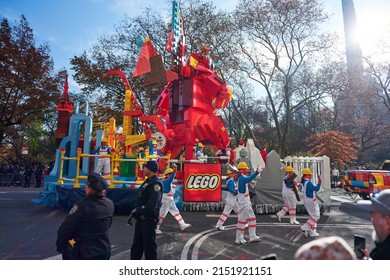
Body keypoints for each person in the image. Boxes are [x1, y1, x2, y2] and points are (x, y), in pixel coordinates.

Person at [56, 173, 115, 260]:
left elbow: (66, 229)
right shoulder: (109, 204)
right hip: (104, 250)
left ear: (90, 189)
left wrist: (61, 247)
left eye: (87, 185)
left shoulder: (81, 206)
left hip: (85, 252)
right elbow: (108, 224)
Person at [128, 160, 163, 260]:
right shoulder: (148, 182)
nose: (143, 169)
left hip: (148, 220)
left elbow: (152, 205)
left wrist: (137, 210)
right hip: (141, 220)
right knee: (136, 248)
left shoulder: (155, 184)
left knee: (149, 249)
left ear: (150, 169)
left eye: (145, 167)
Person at [156, 166, 191, 235]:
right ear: (168, 175)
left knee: (176, 212)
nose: (174, 176)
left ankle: (183, 225)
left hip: (170, 201)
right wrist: (174, 172)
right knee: (162, 215)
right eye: (171, 173)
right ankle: (155, 228)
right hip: (167, 201)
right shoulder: (166, 181)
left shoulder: (168, 183)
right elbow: (170, 179)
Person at [356, 189, 390, 260]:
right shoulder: (383, 250)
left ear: (387, 222)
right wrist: (370, 258)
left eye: (373, 217)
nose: (372, 221)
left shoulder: (385, 254)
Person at [235, 162, 261, 244]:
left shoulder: (242, 177)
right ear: (241, 170)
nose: (247, 170)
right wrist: (256, 173)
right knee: (242, 220)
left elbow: (247, 180)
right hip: (244, 202)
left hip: (246, 202)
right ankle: (239, 238)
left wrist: (249, 185)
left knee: (252, 218)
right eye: (245, 169)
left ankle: (252, 236)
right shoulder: (242, 178)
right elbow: (248, 179)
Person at [300, 168, 321, 237]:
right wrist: (319, 182)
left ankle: (313, 231)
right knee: (316, 216)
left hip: (307, 200)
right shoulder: (308, 183)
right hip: (311, 200)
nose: (311, 176)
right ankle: (305, 227)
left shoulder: (304, 182)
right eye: (310, 174)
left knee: (312, 216)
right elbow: (316, 189)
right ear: (307, 175)